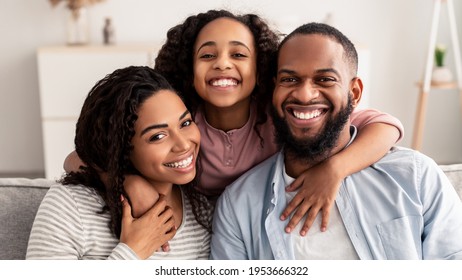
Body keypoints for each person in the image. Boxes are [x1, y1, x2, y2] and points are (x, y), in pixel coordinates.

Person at [64, 10, 404, 235]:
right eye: (208, 55)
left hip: (264, 220)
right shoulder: (183, 123)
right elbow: (77, 157)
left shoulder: (280, 115)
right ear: (189, 68)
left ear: (261, 69)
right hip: (207, 227)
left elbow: (385, 126)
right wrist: (124, 179)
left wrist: (334, 169)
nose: (223, 64)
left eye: (239, 55)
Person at [210, 22, 462, 260]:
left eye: (325, 79)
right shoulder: (238, 205)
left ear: (354, 93)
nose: (305, 94)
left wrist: (335, 168)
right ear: (274, 89)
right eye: (289, 79)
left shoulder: (416, 177)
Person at [26, 66, 212, 260]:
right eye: (157, 136)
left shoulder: (200, 210)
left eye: (185, 123)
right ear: (121, 147)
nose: (183, 144)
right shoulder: (71, 205)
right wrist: (132, 251)